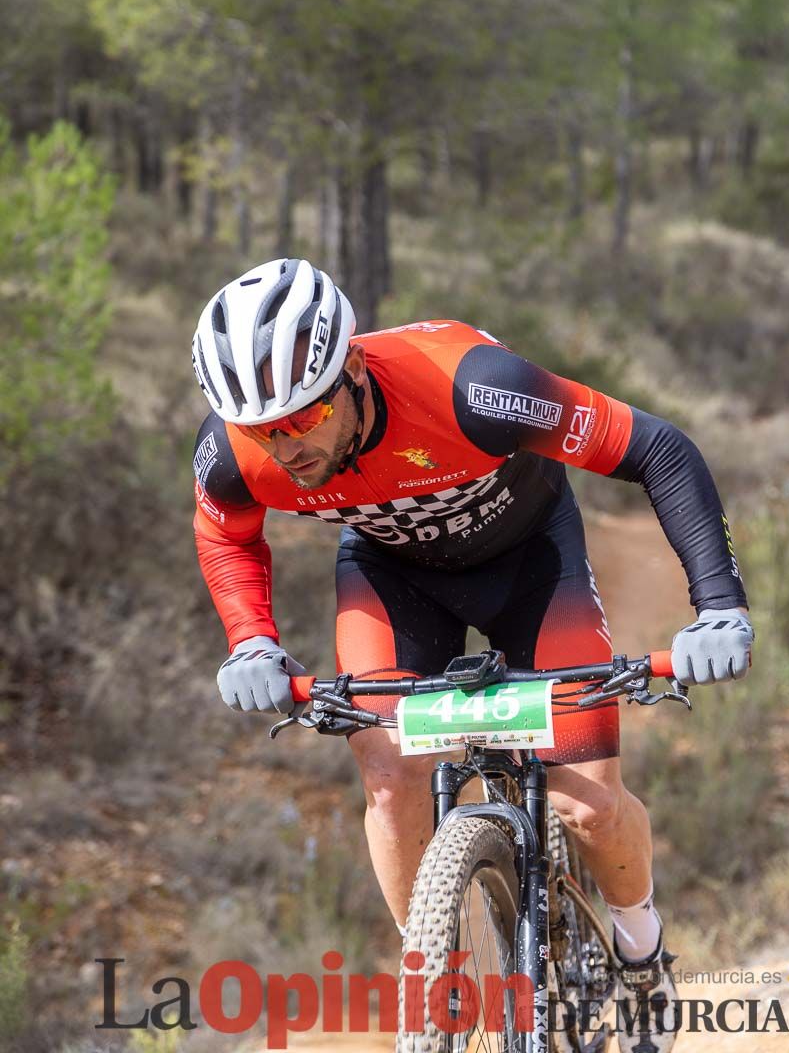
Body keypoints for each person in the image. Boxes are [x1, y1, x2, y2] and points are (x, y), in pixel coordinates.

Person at [191, 257, 753, 1052]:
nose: (281, 446)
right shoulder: (234, 452)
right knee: (390, 779)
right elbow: (225, 533)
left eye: (299, 419)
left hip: (532, 564)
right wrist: (252, 640)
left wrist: (719, 609)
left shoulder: (473, 387)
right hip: (393, 577)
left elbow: (659, 451)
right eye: (258, 428)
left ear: (351, 369)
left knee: (587, 805)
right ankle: (438, 981)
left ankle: (639, 944)